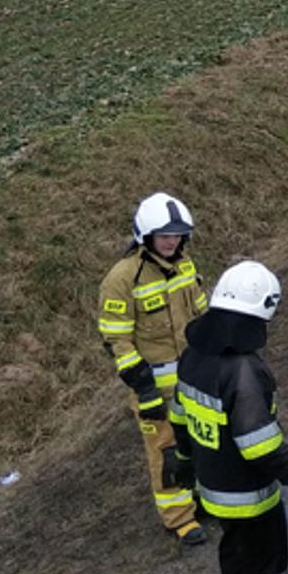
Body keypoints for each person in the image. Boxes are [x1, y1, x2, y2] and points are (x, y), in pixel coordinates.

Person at [173, 260, 288, 574]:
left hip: (216, 476)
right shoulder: (243, 371)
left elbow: (179, 416)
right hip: (242, 489)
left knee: (272, 535)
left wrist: (183, 460)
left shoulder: (192, 356)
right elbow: (260, 445)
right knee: (246, 561)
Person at [97, 192, 210, 545]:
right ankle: (179, 518)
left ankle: (200, 497)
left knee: (200, 442)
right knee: (166, 451)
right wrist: (144, 389)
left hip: (194, 379)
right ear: (145, 236)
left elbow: (201, 316)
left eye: (177, 235)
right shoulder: (122, 279)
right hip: (156, 388)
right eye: (164, 236)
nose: (171, 241)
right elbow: (116, 340)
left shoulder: (185, 266)